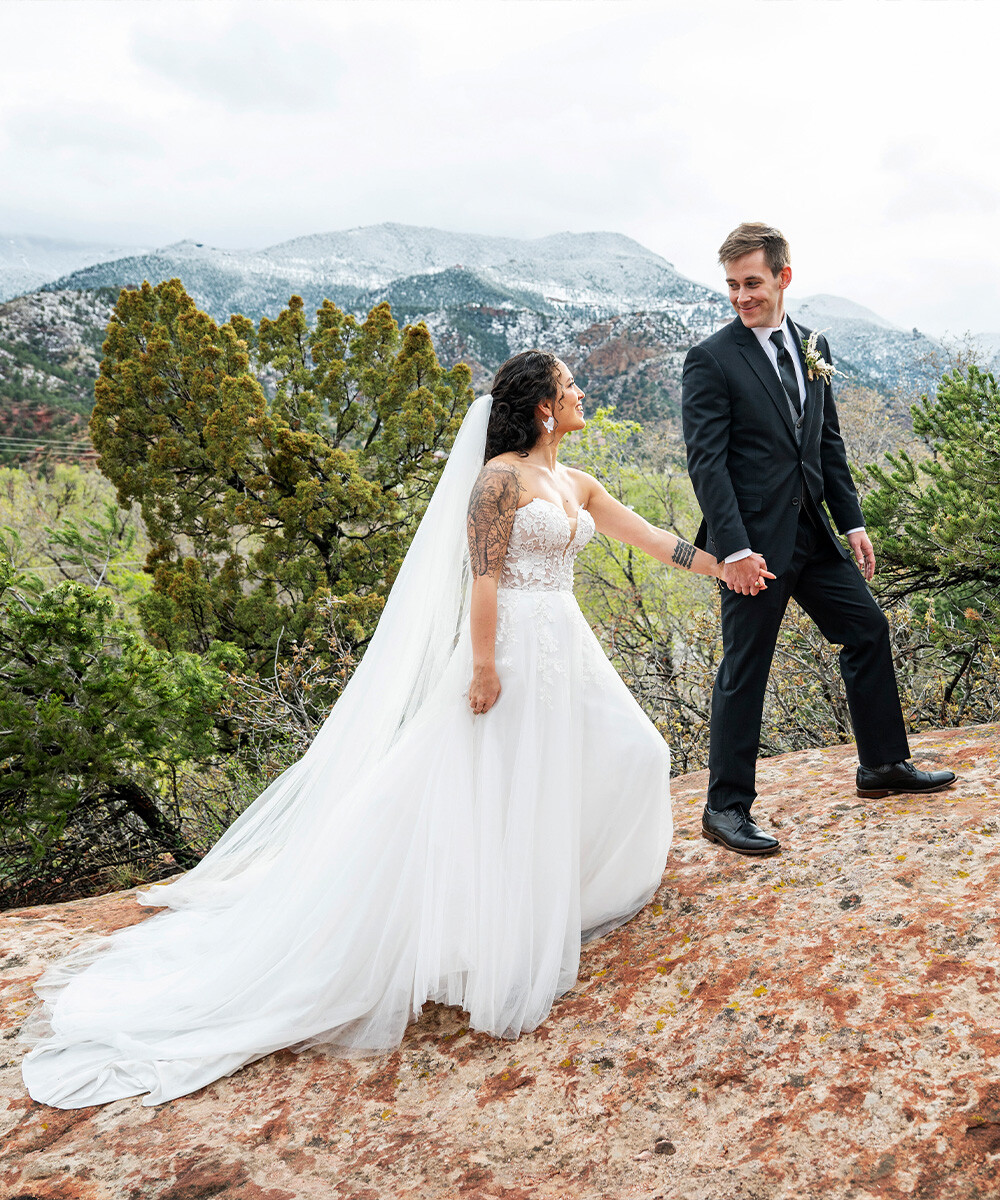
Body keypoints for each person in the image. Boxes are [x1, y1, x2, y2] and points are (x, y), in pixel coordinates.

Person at [21, 350, 758, 1109]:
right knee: (493, 785)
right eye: (570, 388)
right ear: (542, 406)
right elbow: (485, 578)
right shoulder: (497, 480)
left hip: (566, 647)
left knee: (639, 750)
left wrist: (723, 567)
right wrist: (481, 666)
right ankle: (479, 927)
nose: (581, 395)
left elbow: (651, 539)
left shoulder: (577, 483)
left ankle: (572, 891)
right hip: (508, 650)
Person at [681, 222, 956, 858]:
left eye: (752, 283)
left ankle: (883, 767)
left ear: (783, 277)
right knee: (745, 667)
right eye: (731, 286)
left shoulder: (813, 346)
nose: (741, 297)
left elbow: (824, 442)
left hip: (813, 533)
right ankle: (724, 808)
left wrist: (852, 521)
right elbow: (707, 464)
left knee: (866, 629)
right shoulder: (712, 358)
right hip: (754, 548)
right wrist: (735, 550)